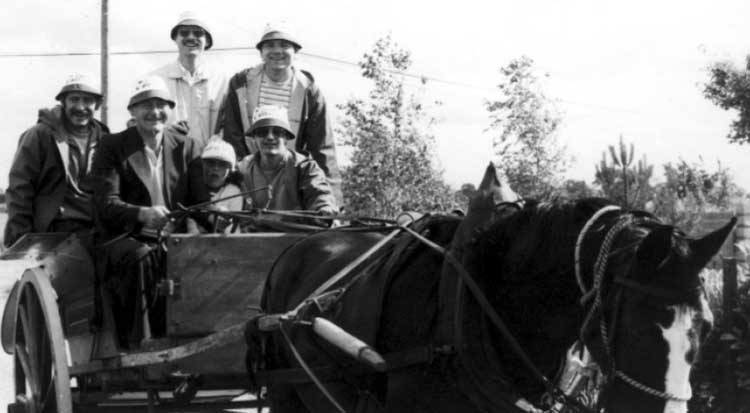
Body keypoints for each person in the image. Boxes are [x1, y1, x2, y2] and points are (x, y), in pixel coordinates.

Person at [90, 76, 208, 345]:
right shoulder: (112, 146)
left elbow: (200, 204)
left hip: (174, 238)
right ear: (132, 111)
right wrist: (142, 214)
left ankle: (197, 343)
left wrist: (205, 223)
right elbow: (105, 204)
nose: (154, 112)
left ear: (170, 109)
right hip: (126, 237)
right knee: (141, 257)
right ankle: (139, 346)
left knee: (207, 254)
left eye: (160, 105)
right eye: (146, 105)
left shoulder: (188, 146)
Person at [221, 21, 341, 201]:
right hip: (249, 175)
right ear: (261, 52)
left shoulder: (309, 90)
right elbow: (232, 135)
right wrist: (239, 179)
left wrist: (332, 200)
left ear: (295, 51)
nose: (277, 51)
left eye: (284, 45)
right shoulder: (240, 84)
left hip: (294, 176)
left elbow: (322, 148)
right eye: (270, 45)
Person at [4, 73, 109, 248]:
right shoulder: (40, 135)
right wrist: (22, 238)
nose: (80, 107)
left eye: (87, 100)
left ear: (97, 104)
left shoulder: (105, 139)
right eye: (74, 99)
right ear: (63, 102)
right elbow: (20, 188)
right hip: (53, 231)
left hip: (96, 229)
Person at [238, 105, 337, 216]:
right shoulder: (242, 168)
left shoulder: (305, 167)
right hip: (250, 227)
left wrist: (324, 208)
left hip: (294, 227)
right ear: (254, 138)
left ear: (286, 137)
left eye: (277, 132)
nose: (270, 137)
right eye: (262, 132)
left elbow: (318, 192)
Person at [151, 11, 228, 144]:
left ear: (207, 41)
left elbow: (228, 126)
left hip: (209, 155)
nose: (191, 37)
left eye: (198, 33)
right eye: (184, 33)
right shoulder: (157, 80)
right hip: (168, 155)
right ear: (175, 38)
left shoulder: (222, 81)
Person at [199, 137, 243, 232]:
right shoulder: (195, 191)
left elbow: (229, 228)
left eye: (222, 164)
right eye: (211, 163)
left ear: (230, 170)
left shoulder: (233, 192)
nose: (216, 168)